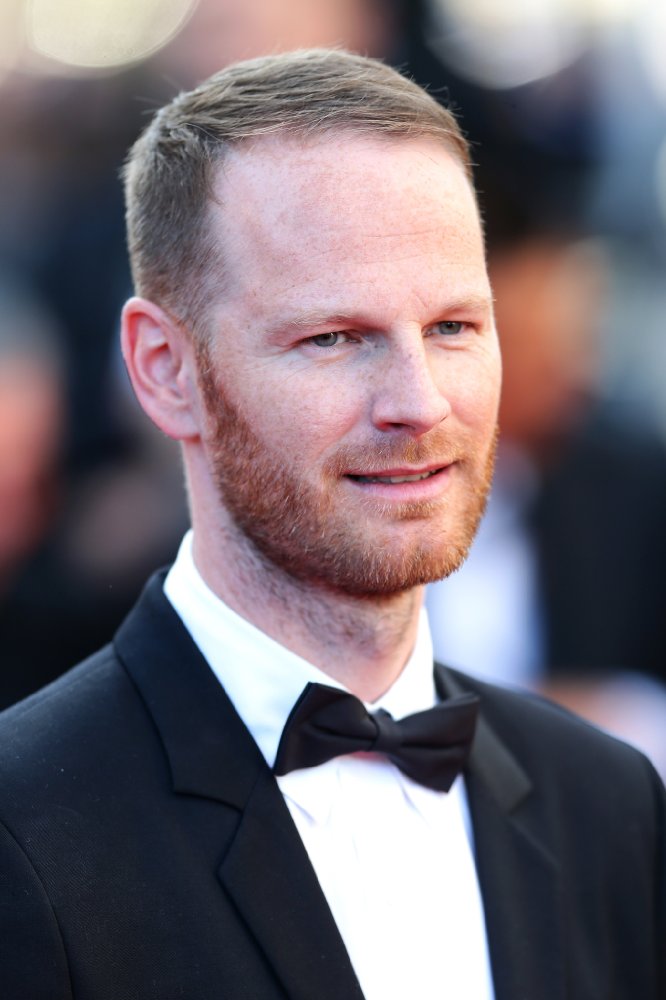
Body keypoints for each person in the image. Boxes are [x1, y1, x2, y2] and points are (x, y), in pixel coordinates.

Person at [0, 50, 663, 1000]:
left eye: (453, 327)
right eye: (334, 338)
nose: (419, 403)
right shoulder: (26, 835)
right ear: (165, 369)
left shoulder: (608, 804)